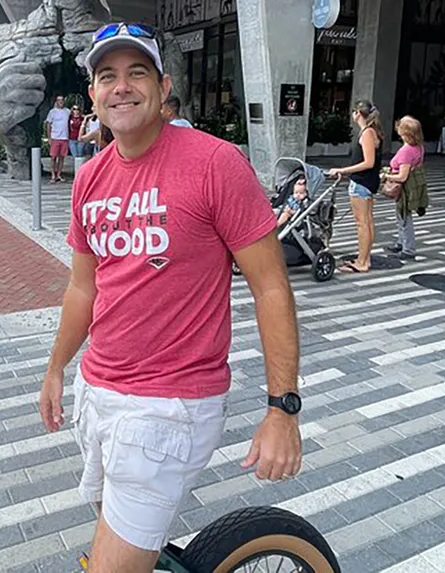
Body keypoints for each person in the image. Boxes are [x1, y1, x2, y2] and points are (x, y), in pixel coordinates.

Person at [38, 21, 302, 573]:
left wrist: (282, 409)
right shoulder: (90, 179)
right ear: (92, 94)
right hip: (99, 393)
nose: (122, 86)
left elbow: (270, 284)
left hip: (169, 407)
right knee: (121, 545)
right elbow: (84, 285)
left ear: (162, 86)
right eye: (107, 76)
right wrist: (57, 366)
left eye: (137, 73)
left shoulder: (214, 163)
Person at [327, 100, 383, 274]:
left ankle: (362, 262)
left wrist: (343, 170)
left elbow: (368, 162)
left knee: (362, 224)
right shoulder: (374, 132)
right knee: (368, 222)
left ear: (357, 113)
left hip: (361, 182)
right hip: (369, 182)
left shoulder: (366, 133)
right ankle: (365, 259)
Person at [382, 115, 427, 260]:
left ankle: (408, 249)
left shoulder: (406, 151)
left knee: (404, 217)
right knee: (402, 216)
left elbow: (402, 176)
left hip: (404, 189)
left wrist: (385, 177)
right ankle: (401, 243)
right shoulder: (419, 147)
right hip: (413, 187)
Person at [46, 95, 71, 182]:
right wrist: (49, 137)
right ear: (56, 101)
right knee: (53, 157)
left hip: (64, 137)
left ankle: (59, 174)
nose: (61, 102)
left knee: (62, 157)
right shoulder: (52, 112)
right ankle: (53, 175)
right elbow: (48, 125)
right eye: (59, 100)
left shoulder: (67, 111)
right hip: (55, 137)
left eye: (62, 100)